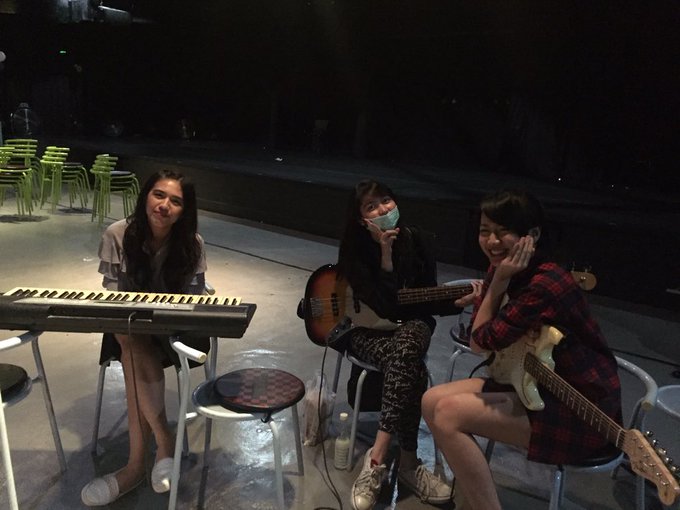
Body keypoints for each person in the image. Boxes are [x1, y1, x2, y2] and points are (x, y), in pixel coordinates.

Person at [422, 189, 622, 510]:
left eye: (503, 232)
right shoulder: (504, 269)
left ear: (533, 235)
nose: (492, 241)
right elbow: (480, 336)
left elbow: (479, 341)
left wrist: (498, 283)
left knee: (447, 414)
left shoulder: (544, 283)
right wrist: (498, 280)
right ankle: (471, 499)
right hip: (532, 383)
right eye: (485, 231)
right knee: (431, 400)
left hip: (580, 408)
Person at [336, 179, 477, 510]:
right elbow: (386, 306)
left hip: (411, 328)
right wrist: (385, 256)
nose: (383, 209)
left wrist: (455, 303)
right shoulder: (355, 252)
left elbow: (425, 297)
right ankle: (410, 464)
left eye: (386, 200)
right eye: (371, 206)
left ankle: (378, 456)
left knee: (410, 341)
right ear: (361, 219)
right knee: (410, 365)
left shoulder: (418, 241)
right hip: (367, 332)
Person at [81, 169, 209, 506]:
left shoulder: (192, 244)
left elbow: (194, 302)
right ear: (145, 196)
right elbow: (113, 299)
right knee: (131, 339)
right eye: (158, 195)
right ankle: (163, 442)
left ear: (184, 211)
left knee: (132, 351)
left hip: (174, 329)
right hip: (129, 327)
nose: (164, 205)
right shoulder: (117, 234)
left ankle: (135, 466)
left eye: (175, 201)